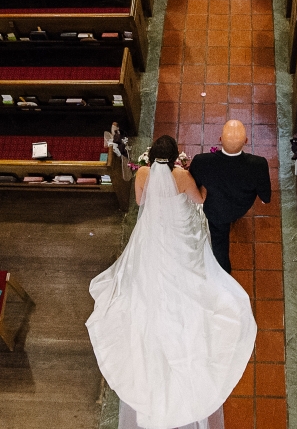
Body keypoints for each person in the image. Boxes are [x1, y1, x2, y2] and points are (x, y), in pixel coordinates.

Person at [87, 135, 257, 429]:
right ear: (175, 157)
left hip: (154, 227)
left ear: (151, 158)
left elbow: (141, 201)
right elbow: (199, 200)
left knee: (145, 270)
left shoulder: (142, 173)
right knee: (192, 256)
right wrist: (200, 187)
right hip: (179, 226)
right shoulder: (181, 176)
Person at [188, 120, 272, 273]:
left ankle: (223, 275)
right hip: (239, 208)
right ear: (246, 141)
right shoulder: (259, 165)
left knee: (220, 243)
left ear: (220, 139)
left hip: (215, 211)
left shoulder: (202, 161)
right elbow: (265, 197)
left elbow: (194, 184)